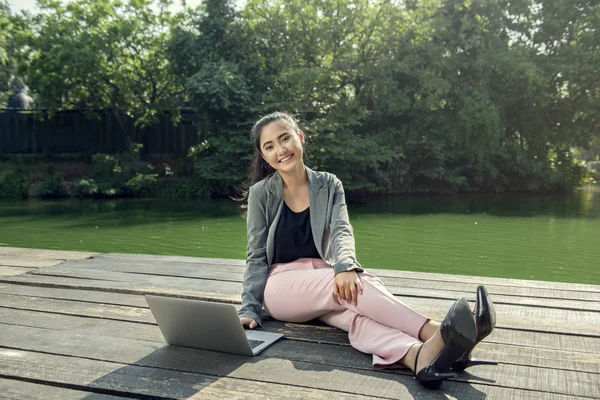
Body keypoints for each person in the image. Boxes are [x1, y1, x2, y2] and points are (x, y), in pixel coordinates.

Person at [238, 111, 497, 389]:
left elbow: (341, 230)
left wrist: (345, 266)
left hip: (324, 275)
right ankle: (441, 332)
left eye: (285, 138)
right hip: (281, 287)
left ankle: (418, 356)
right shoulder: (261, 194)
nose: (280, 149)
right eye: (270, 146)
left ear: (300, 138)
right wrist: (250, 308)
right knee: (353, 287)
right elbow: (256, 255)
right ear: (265, 157)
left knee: (354, 316)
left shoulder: (329, 184)